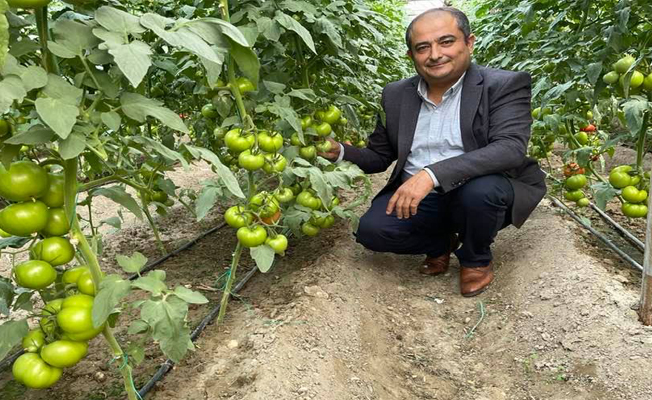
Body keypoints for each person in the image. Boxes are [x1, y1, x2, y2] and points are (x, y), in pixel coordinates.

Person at [318, 7, 546, 297]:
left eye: (446, 41)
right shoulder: (396, 94)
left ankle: (476, 259)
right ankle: (440, 244)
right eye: (422, 47)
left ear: (469, 42)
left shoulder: (503, 84)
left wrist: (431, 174)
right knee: (372, 231)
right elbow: (378, 157)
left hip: (480, 190)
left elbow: (510, 149)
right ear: (411, 56)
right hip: (422, 198)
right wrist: (339, 150)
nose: (435, 54)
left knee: (480, 193)